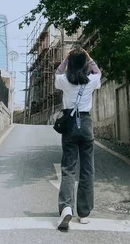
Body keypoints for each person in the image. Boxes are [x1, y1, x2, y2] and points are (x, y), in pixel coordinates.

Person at [55, 47, 101, 230]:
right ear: (84, 65)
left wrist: (66, 59)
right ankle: (84, 214)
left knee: (68, 169)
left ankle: (66, 207)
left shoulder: (64, 81)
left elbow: (57, 72)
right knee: (87, 170)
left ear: (70, 64)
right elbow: (98, 72)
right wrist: (89, 57)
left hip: (70, 125)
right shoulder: (91, 81)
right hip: (86, 124)